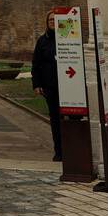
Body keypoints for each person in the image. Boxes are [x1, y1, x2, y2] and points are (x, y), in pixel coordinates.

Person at [31, 10, 62, 162]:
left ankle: (71, 149)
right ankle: (59, 151)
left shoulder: (65, 40)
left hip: (66, 86)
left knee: (67, 119)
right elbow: (36, 63)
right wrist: (36, 84)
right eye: (50, 20)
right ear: (47, 22)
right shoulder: (42, 41)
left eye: (55, 20)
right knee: (55, 120)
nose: (52, 22)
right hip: (50, 86)